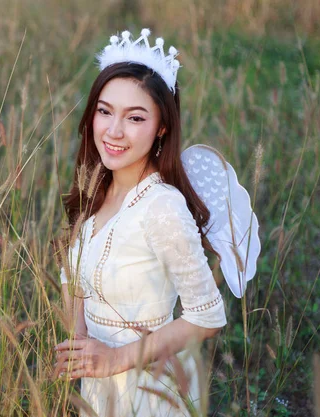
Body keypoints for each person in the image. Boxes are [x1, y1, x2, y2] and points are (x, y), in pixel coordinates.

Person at [54, 29, 232, 417]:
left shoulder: (161, 207)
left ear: (161, 127)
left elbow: (208, 315)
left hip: (149, 388)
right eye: (104, 111)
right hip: (98, 388)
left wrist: (114, 359)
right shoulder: (96, 189)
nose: (114, 131)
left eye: (135, 117)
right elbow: (72, 276)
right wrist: (78, 340)